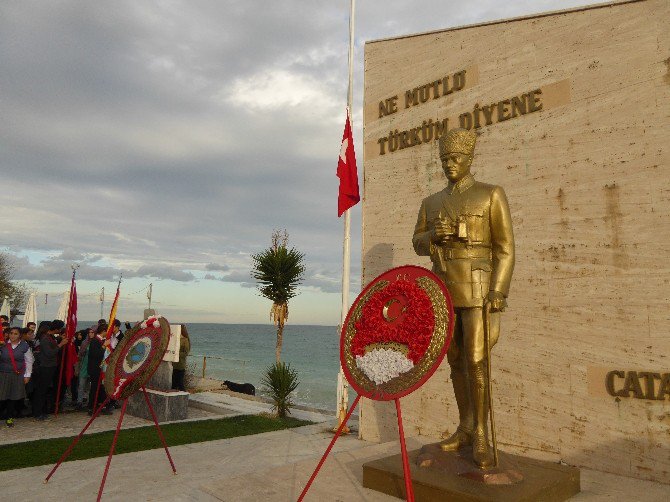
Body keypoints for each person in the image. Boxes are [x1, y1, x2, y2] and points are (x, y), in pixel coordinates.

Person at [413, 128, 515, 468]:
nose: (449, 165)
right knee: (454, 358)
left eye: (455, 159)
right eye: (444, 160)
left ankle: (484, 433)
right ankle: (466, 427)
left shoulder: (490, 195)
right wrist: (431, 235)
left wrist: (499, 290)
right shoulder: (430, 202)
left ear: (469, 159)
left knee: (476, 359)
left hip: (479, 288)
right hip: (444, 287)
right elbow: (417, 243)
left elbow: (505, 249)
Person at [31, 320, 68, 420]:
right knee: (41, 390)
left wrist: (60, 339)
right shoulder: (45, 338)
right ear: (56, 329)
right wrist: (61, 344)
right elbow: (49, 353)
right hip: (45, 367)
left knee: (45, 390)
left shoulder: (50, 337)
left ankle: (42, 410)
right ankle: (37, 412)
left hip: (50, 366)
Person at [0, 327, 34, 427]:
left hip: (17, 375)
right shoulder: (3, 344)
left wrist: (27, 375)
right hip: (3, 374)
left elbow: (29, 360)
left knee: (13, 397)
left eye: (15, 334)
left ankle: (9, 417)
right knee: (1, 397)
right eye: (11, 333)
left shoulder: (24, 345)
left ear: (20, 335)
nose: (13, 335)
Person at [87, 324, 112, 416]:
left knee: (100, 389)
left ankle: (100, 406)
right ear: (103, 331)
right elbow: (95, 354)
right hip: (95, 369)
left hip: (100, 368)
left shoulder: (100, 340)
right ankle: (91, 408)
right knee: (94, 389)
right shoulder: (95, 341)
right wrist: (104, 346)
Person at [171, 325, 191, 391]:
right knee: (173, 384)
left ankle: (185, 397)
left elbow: (186, 353)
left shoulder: (185, 340)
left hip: (180, 365)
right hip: (174, 364)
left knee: (180, 383)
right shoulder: (175, 339)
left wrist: (176, 354)